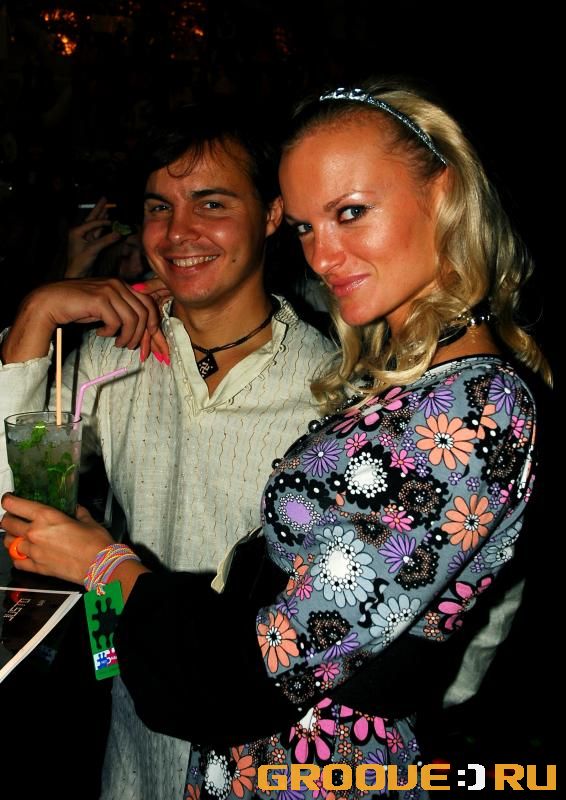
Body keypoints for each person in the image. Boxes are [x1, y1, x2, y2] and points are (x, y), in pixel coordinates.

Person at [2, 77, 551, 798]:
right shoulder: (392, 381)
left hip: (299, 762)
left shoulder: (446, 398)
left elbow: (275, 659)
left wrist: (103, 564)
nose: (323, 256)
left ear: (442, 193)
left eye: (351, 213)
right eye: (308, 227)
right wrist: (38, 314)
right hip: (164, 737)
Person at [0, 99, 331, 800]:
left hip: (273, 752)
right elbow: (8, 497)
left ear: (272, 214)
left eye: (211, 203)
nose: (178, 233)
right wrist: (36, 314)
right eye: (159, 207)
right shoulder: (111, 360)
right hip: (136, 741)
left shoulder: (334, 388)